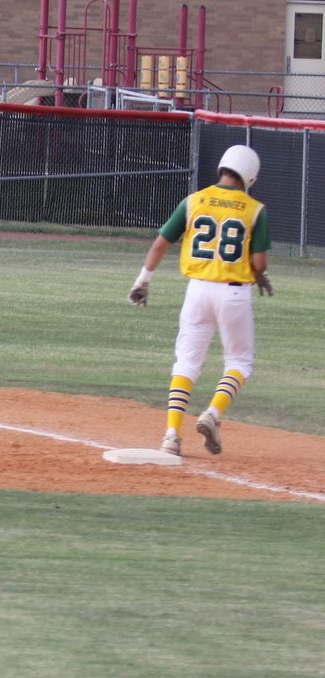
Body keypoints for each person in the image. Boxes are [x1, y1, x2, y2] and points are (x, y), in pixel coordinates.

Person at [128, 144, 272, 457]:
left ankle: (171, 435)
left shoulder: (194, 200)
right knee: (239, 362)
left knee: (187, 362)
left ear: (222, 167)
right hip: (234, 292)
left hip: (197, 291)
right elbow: (259, 264)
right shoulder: (254, 209)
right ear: (250, 176)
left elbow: (161, 243)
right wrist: (260, 275)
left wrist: (143, 281)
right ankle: (213, 413)